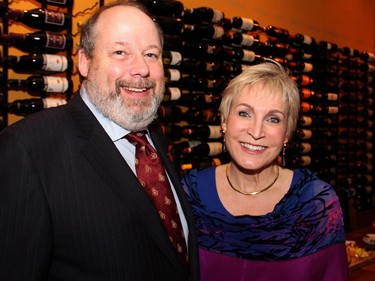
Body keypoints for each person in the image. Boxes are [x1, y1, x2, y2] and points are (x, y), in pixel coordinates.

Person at [0, 1, 199, 280]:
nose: (141, 69)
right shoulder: (28, 149)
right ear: (85, 61)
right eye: (120, 52)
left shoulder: (155, 141)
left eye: (151, 54)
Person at [181, 61, 349, 281]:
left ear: (287, 133)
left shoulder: (315, 204)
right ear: (223, 121)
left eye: (273, 119)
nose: (257, 131)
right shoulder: (189, 194)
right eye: (244, 113)